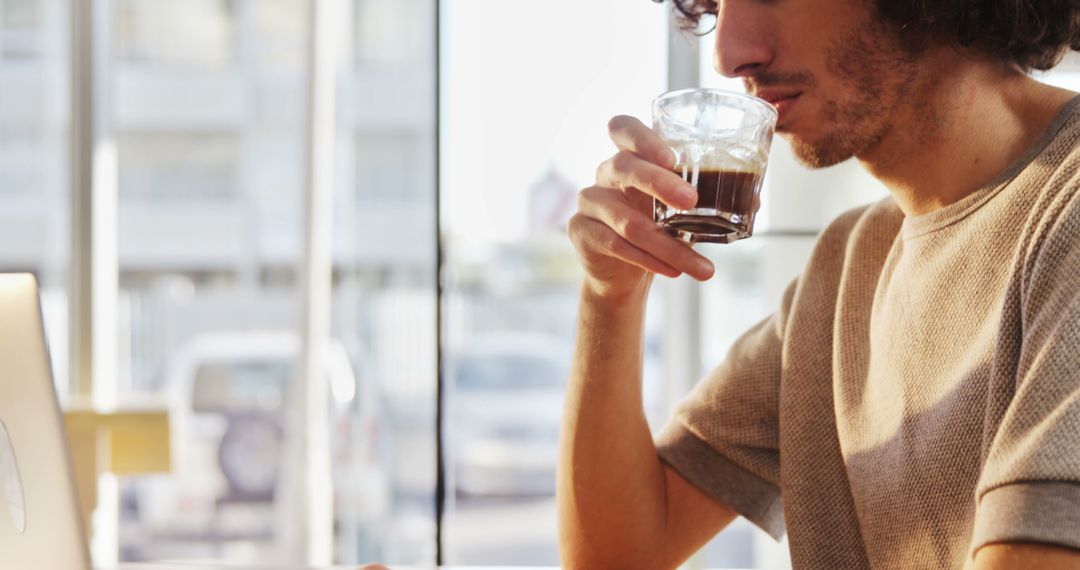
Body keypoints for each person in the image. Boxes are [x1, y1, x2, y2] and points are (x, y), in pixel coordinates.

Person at [558, 0, 1080, 568]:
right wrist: (609, 294)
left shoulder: (1065, 212)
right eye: (714, 5)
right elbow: (617, 554)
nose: (730, 56)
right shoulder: (848, 262)